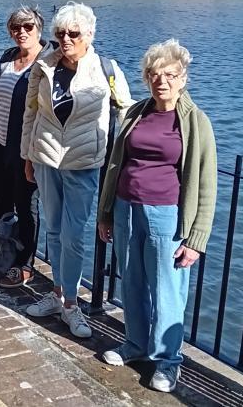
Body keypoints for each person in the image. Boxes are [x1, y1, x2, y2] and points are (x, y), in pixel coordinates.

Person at [97, 40, 216, 393]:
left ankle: (167, 360)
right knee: (131, 281)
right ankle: (135, 345)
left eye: (170, 74)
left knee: (167, 290)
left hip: (167, 215)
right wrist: (106, 213)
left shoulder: (195, 122)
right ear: (146, 78)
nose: (161, 80)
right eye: (154, 74)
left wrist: (196, 240)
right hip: (125, 209)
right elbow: (118, 164)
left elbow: (207, 184)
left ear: (183, 79)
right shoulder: (136, 112)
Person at [20, 2, 132, 339]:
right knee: (53, 230)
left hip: (84, 164)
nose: (65, 39)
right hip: (46, 160)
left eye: (73, 34)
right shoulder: (44, 67)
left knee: (74, 235)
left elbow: (125, 115)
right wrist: (28, 155)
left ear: (89, 35)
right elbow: (31, 113)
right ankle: (56, 295)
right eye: (59, 34)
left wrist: (124, 165)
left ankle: (72, 302)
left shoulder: (105, 69)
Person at [0, 6, 54, 288]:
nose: (21, 32)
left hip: (27, 149)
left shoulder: (48, 62)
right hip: (0, 144)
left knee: (26, 206)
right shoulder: (8, 58)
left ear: (39, 29)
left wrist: (34, 154)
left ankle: (26, 264)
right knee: (1, 203)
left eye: (28, 27)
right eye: (15, 28)